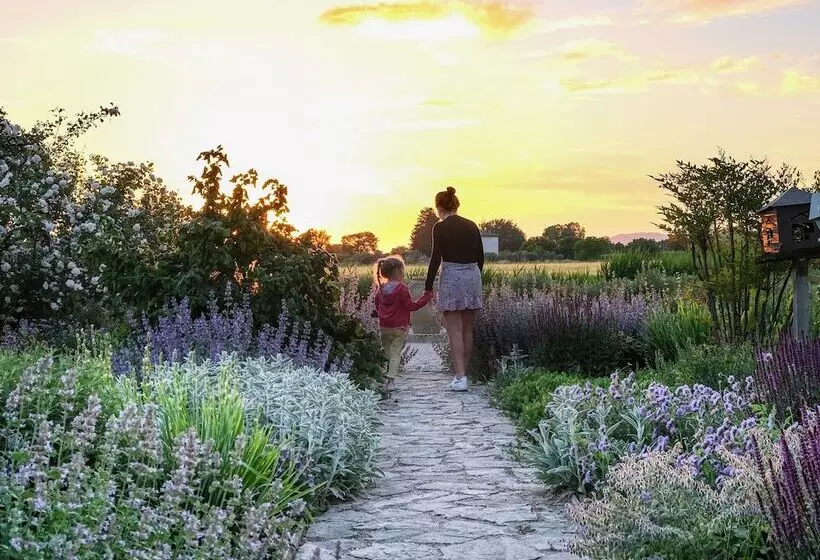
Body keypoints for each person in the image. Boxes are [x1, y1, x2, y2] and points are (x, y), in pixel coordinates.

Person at [425, 186, 484, 392]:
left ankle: (460, 377)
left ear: (439, 207)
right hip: (472, 275)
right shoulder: (472, 225)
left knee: (454, 330)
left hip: (451, 276)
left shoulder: (439, 228)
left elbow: (435, 257)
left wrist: (428, 285)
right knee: (467, 329)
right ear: (456, 205)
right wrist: (474, 277)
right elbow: (480, 256)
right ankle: (463, 374)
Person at [374, 255, 433, 393]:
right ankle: (391, 380)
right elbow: (410, 306)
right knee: (395, 353)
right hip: (398, 327)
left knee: (385, 351)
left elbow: (377, 307)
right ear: (398, 272)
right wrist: (426, 297)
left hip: (383, 327)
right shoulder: (401, 288)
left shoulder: (380, 289)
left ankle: (380, 376)